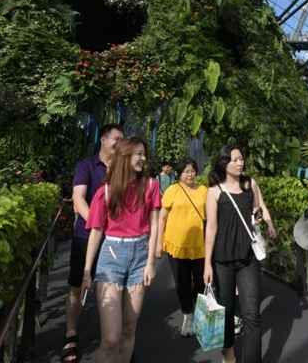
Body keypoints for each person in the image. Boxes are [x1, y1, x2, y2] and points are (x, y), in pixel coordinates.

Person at [80, 136, 161, 363]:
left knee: (129, 329)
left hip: (140, 255)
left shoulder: (152, 185)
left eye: (144, 154)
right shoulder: (105, 191)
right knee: (111, 338)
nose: (143, 158)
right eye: (138, 154)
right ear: (124, 156)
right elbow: (96, 232)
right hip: (111, 256)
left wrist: (150, 263)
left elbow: (154, 225)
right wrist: (87, 271)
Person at [62, 123, 123, 363]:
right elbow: (78, 198)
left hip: (116, 240)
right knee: (77, 284)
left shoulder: (123, 167)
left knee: (111, 286)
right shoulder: (86, 166)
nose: (120, 143)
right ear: (104, 140)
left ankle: (110, 337)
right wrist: (98, 225)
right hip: (86, 236)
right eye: (117, 139)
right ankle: (70, 332)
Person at [203, 145, 266, 363]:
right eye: (234, 160)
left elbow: (256, 210)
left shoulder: (250, 185)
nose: (240, 163)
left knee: (252, 315)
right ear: (224, 164)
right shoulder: (214, 192)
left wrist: (257, 216)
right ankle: (228, 350)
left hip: (248, 258)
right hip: (222, 261)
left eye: (241, 159)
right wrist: (207, 264)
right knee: (227, 312)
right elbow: (211, 227)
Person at [155, 157, 208, 337]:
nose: (190, 174)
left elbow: (212, 217)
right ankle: (188, 314)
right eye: (186, 171)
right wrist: (158, 242)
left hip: (200, 245)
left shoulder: (203, 191)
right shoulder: (172, 190)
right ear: (179, 174)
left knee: (201, 282)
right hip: (176, 244)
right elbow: (162, 217)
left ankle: (200, 315)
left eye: (192, 171)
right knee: (182, 282)